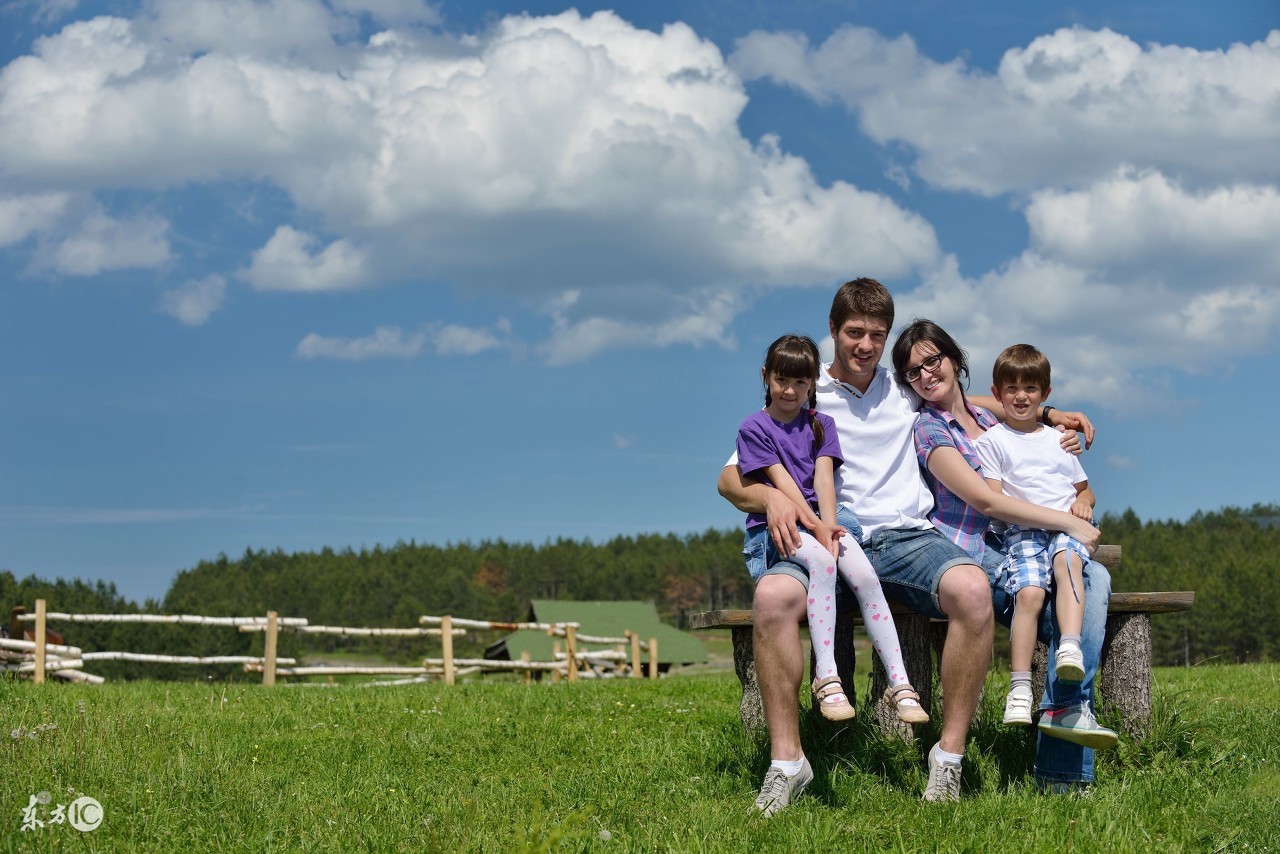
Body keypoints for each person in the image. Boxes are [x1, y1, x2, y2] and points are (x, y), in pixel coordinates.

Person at [718, 278, 1095, 813]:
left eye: (876, 334)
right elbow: (730, 480)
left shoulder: (903, 386)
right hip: (825, 534)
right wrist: (769, 500)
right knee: (772, 599)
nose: (865, 345)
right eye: (854, 332)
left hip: (904, 536)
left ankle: (948, 759)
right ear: (833, 331)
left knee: (971, 589)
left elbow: (968, 399)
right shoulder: (803, 391)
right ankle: (787, 763)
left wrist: (1049, 415)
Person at [890, 321, 1118, 789]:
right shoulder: (930, 432)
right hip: (978, 551)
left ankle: (1063, 720)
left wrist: (1052, 415)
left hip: (1029, 538)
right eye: (914, 372)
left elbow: (1015, 410)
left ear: (955, 359)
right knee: (1075, 596)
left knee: (1094, 582)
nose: (927, 374)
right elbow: (987, 502)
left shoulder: (990, 418)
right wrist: (1069, 522)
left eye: (934, 360)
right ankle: (1063, 757)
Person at [735, 333, 930, 725]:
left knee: (865, 576)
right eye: (781, 380)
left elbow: (824, 480)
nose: (790, 391)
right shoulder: (754, 428)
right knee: (824, 564)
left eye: (801, 382)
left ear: (812, 383)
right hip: (781, 526)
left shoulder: (822, 424)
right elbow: (782, 481)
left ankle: (900, 683)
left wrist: (829, 524)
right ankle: (827, 677)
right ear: (765, 376)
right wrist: (814, 526)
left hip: (823, 518)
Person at [974, 344, 1117, 748]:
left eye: (1031, 388)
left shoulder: (1058, 440)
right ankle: (1020, 689)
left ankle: (1069, 649)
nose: (1021, 396)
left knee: (1069, 564)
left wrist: (1082, 505)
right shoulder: (992, 441)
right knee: (1030, 594)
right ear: (997, 392)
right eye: (1012, 388)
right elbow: (995, 500)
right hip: (1023, 530)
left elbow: (1086, 492)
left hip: (1067, 530)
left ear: (1046, 394)